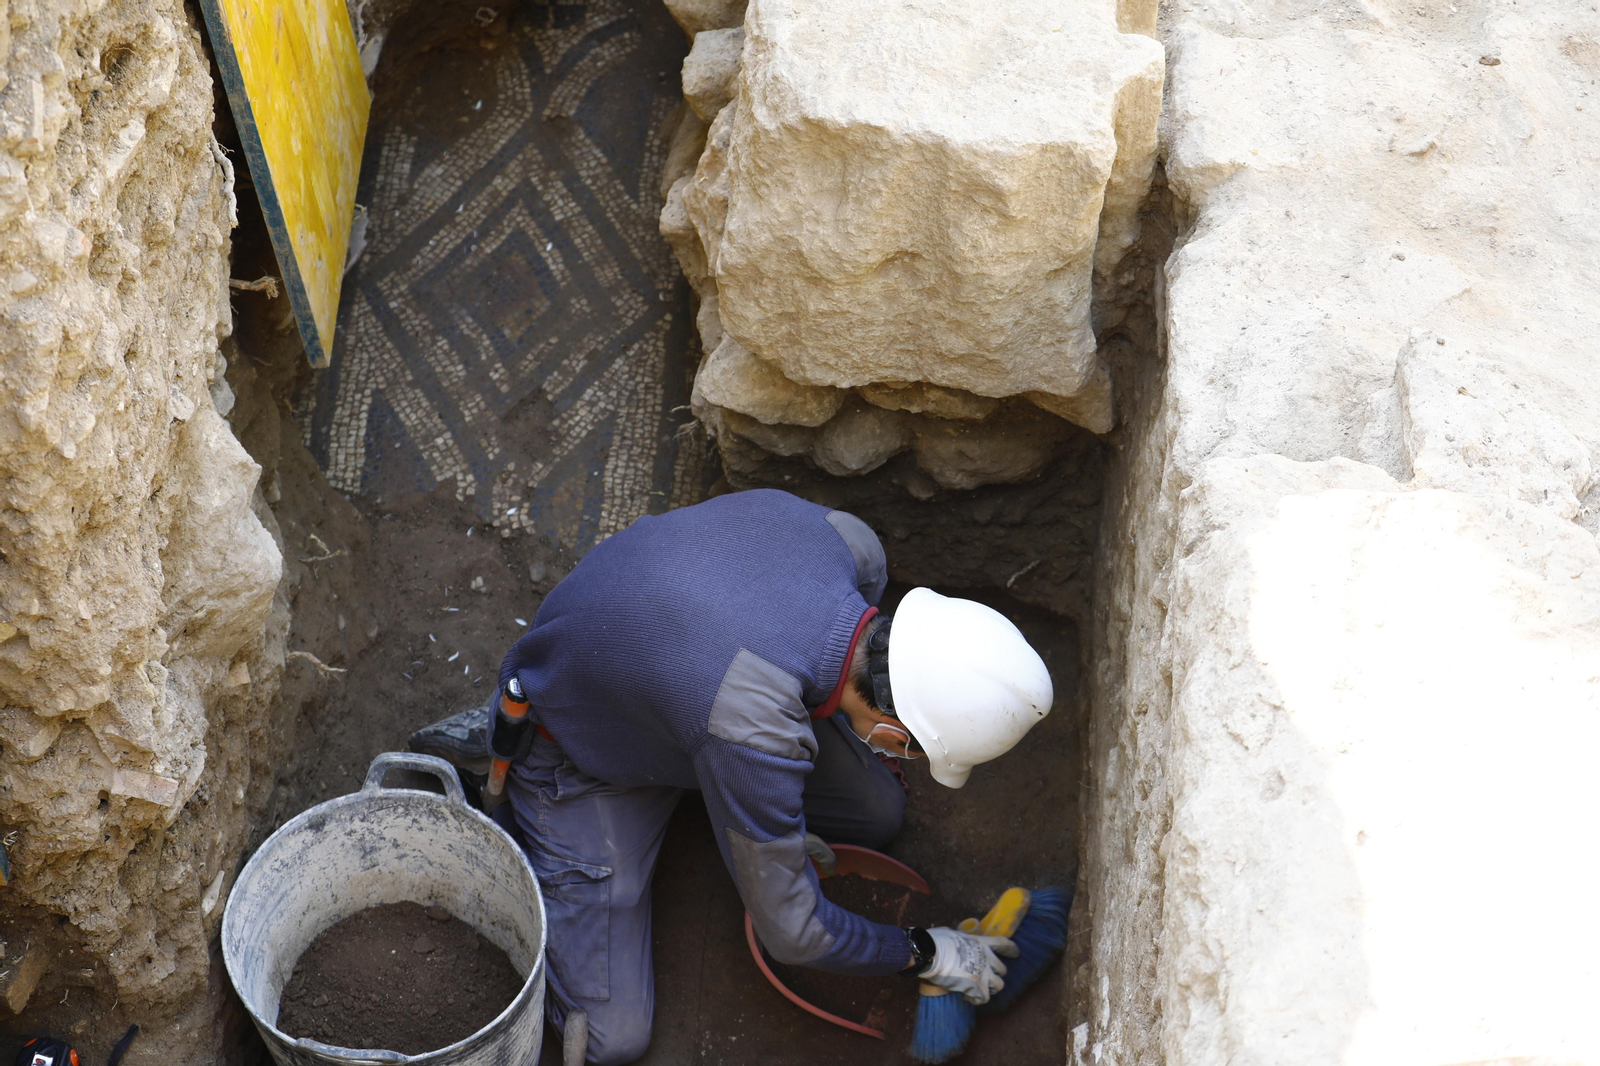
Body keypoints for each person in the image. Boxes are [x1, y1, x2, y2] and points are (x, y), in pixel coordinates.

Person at [410, 489, 1054, 1064]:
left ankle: (715, 776)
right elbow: (792, 933)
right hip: (581, 750)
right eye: (911, 750)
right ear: (893, 729)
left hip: (675, 682)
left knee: (875, 813)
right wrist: (925, 952)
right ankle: (523, 806)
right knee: (614, 1037)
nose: (901, 757)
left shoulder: (853, 546)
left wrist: (761, 799)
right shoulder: (752, 725)